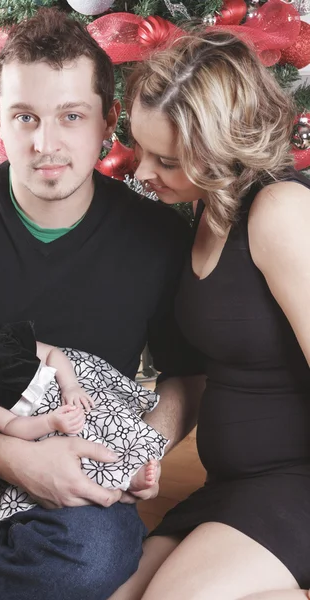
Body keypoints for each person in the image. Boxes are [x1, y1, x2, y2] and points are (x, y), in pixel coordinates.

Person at [0, 8, 198, 600]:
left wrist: (130, 453)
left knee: (91, 559)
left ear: (107, 122)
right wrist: (14, 461)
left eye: (71, 116)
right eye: (25, 117)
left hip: (80, 463)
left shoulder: (159, 236)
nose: (47, 144)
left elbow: (188, 376)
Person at [109, 29, 310, 600]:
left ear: (223, 147)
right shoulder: (200, 214)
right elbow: (194, 374)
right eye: (142, 148)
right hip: (231, 485)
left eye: (166, 160)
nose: (142, 172)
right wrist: (142, 448)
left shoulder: (281, 210)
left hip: (296, 484)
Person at [0, 321, 164, 523]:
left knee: (112, 418)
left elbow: (54, 354)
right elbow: (13, 427)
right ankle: (129, 479)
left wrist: (70, 386)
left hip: (71, 388)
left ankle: (138, 457)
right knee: (82, 454)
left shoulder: (8, 343)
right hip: (48, 424)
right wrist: (50, 422)